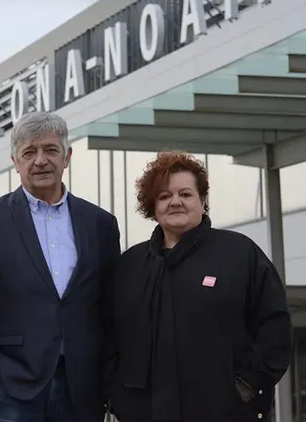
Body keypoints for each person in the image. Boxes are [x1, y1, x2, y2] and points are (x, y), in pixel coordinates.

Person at [0, 111, 121, 421]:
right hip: (13, 386)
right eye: (29, 152)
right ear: (15, 161)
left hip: (83, 387)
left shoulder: (100, 224)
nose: (40, 160)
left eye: (50, 150)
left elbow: (111, 307)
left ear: (67, 156)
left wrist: (108, 374)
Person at [106, 151, 293, 422]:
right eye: (164, 196)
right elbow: (108, 336)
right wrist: (118, 396)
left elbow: (275, 328)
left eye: (185, 194)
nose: (175, 202)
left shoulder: (239, 254)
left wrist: (247, 386)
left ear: (202, 200)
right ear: (153, 206)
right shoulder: (130, 266)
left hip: (224, 413)